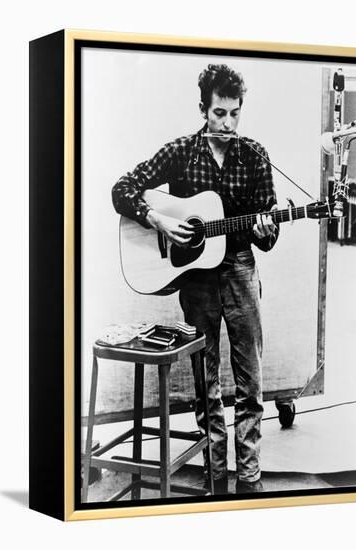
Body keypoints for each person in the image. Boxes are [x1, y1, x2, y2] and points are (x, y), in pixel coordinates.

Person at [112, 64, 279, 494]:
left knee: (250, 383)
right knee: (207, 386)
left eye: (235, 114)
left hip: (240, 270)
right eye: (219, 113)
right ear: (203, 108)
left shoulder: (255, 155)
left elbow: (270, 231)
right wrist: (158, 222)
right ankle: (215, 476)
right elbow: (122, 188)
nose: (227, 124)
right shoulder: (182, 151)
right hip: (198, 283)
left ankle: (251, 478)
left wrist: (266, 230)